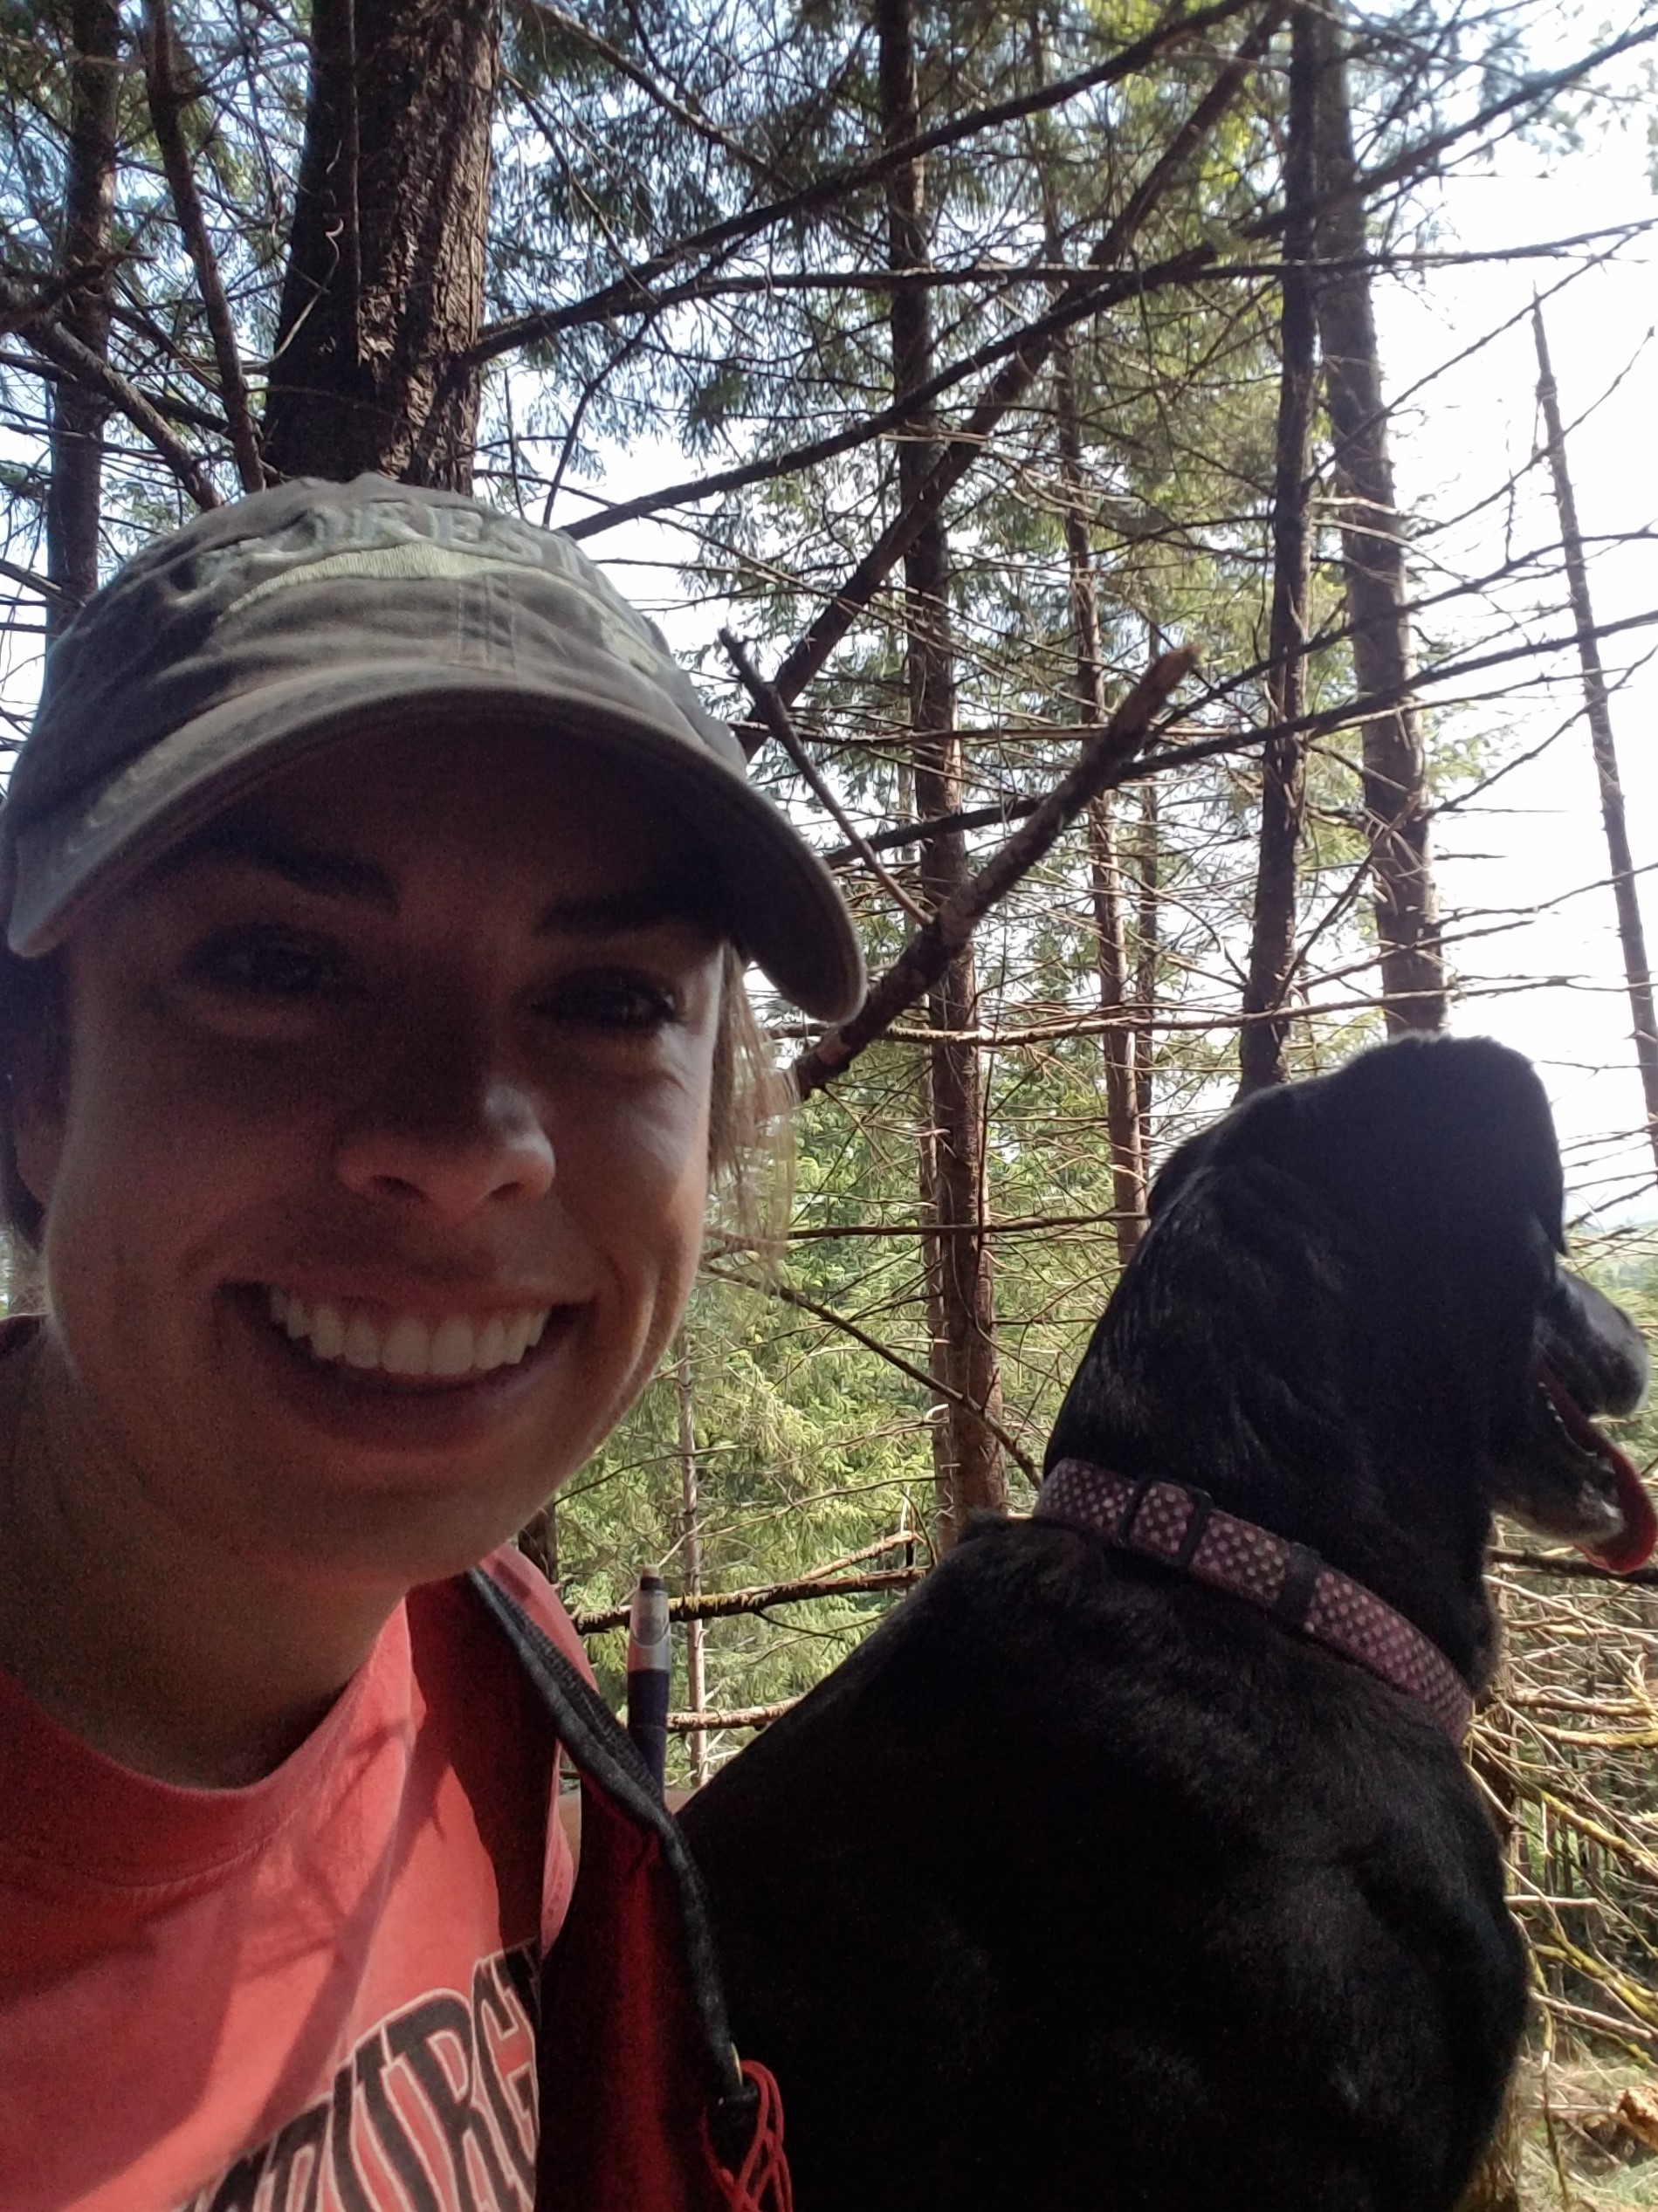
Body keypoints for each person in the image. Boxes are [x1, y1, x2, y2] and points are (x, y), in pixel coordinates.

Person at [0, 476, 863, 2212]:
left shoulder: (488, 1659)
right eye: (274, 960)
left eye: (608, 998)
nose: (469, 1136)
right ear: (36, 1081)